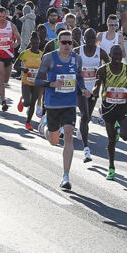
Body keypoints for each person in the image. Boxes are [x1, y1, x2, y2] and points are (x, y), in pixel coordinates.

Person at [35, 30, 92, 190]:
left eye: (70, 43)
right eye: (64, 42)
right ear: (58, 43)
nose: (67, 46)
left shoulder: (77, 59)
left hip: (69, 104)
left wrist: (83, 89)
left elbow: (79, 77)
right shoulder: (49, 58)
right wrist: (51, 84)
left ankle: (66, 176)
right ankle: (44, 125)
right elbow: (38, 80)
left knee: (68, 134)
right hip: (53, 104)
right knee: (54, 141)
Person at [93, 45, 127, 181]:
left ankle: (118, 129)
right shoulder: (103, 70)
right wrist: (96, 90)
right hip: (108, 107)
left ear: (122, 56)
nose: (116, 58)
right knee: (111, 141)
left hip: (123, 107)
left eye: (119, 55)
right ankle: (111, 168)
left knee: (125, 136)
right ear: (110, 54)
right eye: (114, 55)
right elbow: (98, 83)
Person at [75, 29, 109, 163]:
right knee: (84, 115)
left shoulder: (100, 52)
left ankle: (81, 129)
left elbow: (109, 65)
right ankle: (86, 150)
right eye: (87, 38)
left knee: (87, 117)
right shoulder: (78, 51)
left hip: (94, 90)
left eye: (92, 38)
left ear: (95, 39)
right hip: (80, 89)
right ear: (84, 38)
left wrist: (102, 79)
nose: (89, 41)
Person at [0, 6, 21, 112]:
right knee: (0, 76)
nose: (1, 18)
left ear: (6, 15)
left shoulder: (11, 26)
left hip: (9, 55)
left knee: (6, 79)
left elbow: (19, 39)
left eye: (3, 16)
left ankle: (3, 96)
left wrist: (17, 44)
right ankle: (3, 100)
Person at [16, 32, 43, 130]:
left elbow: (45, 68)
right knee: (27, 103)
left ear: (39, 43)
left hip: (37, 83)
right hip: (26, 81)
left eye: (37, 43)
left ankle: (28, 122)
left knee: (32, 104)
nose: (35, 45)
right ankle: (22, 100)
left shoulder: (42, 55)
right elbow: (16, 66)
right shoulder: (25, 53)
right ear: (30, 43)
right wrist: (24, 70)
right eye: (33, 43)